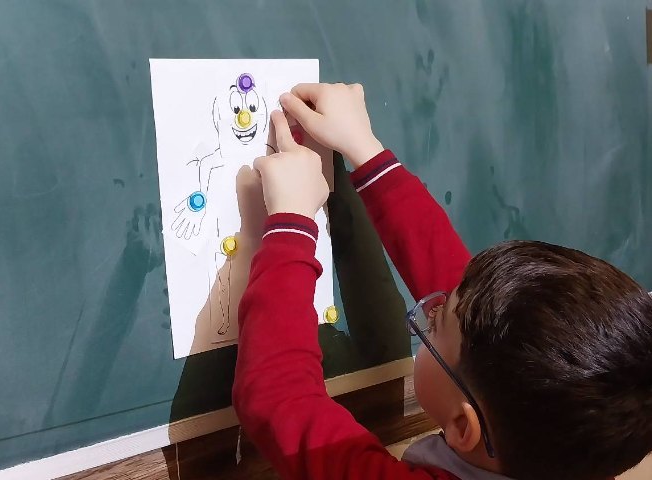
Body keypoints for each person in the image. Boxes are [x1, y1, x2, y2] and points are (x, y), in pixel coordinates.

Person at [232, 83, 652, 480]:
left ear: (462, 426)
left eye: (433, 324)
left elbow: (278, 394)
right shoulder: (580, 442)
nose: (433, 310)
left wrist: (291, 222)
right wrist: (365, 150)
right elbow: (472, 315)